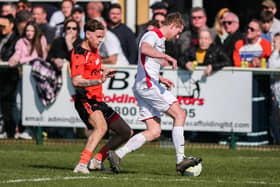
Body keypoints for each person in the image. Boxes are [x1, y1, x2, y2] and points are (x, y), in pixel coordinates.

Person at [107, 12, 202, 175]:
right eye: (178, 32)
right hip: (148, 86)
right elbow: (144, 49)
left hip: (146, 84)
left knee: (154, 131)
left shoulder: (159, 39)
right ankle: (180, 160)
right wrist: (166, 57)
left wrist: (159, 78)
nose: (178, 36)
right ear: (172, 25)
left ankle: (117, 154)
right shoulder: (153, 34)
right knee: (180, 114)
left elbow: (146, 64)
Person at [71, 19, 133, 174]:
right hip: (85, 99)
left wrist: (103, 71)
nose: (100, 41)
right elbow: (76, 80)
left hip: (98, 100)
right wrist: (98, 80)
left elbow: (94, 66)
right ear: (88, 34)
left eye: (102, 37)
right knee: (101, 127)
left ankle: (97, 160)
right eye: (98, 37)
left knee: (126, 132)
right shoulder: (79, 53)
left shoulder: (94, 50)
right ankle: (82, 164)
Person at [8, 21, 48, 139]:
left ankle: (33, 130)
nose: (29, 33)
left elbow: (41, 57)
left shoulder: (41, 39)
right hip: (24, 77)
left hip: (38, 79)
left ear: (36, 31)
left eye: (31, 30)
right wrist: (13, 59)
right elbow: (17, 54)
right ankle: (22, 129)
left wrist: (22, 60)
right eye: (27, 31)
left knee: (35, 104)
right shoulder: (21, 42)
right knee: (18, 103)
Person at [0, 14, 19, 139]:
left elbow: (13, 55)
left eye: (3, 26)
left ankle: (10, 132)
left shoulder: (16, 40)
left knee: (8, 105)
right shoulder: (1, 38)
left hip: (10, 76)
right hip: (2, 76)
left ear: (12, 25)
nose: (1, 28)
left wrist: (3, 60)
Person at [268, 32, 280, 144]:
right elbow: (271, 66)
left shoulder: (275, 54)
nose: (274, 44)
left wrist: (276, 50)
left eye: (275, 42)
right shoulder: (274, 54)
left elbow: (273, 66)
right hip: (275, 94)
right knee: (274, 119)